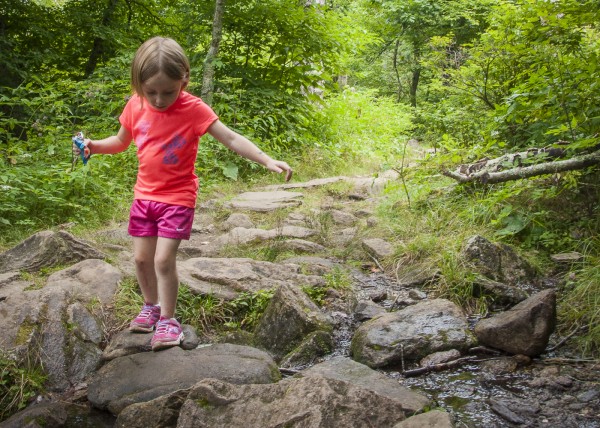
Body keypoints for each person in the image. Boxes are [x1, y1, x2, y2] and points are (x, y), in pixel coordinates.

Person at [74, 36, 293, 351]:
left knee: (163, 260)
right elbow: (121, 142)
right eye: (151, 92)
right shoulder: (135, 105)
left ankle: (168, 320)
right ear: (138, 85)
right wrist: (94, 146)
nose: (160, 100)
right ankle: (150, 307)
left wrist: (266, 159)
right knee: (140, 259)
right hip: (144, 197)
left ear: (184, 80)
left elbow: (230, 138)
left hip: (177, 198)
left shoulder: (193, 109)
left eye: (168, 92)